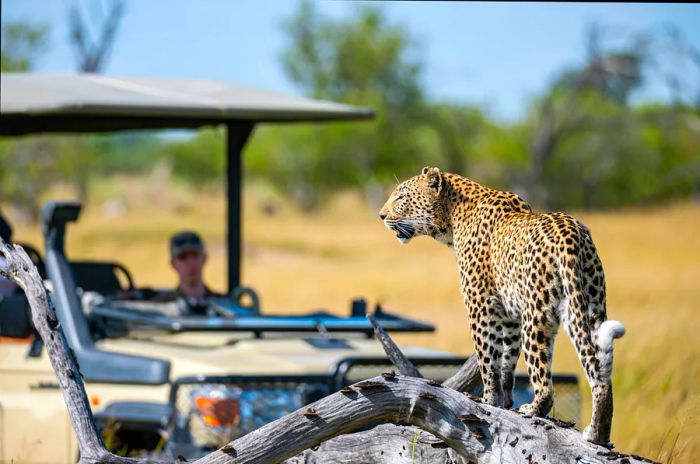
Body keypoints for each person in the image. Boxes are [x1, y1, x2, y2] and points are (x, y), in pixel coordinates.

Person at [169, 230, 219, 299]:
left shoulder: (223, 306)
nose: (191, 263)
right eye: (183, 257)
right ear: (173, 264)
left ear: (204, 258)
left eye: (195, 256)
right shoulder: (162, 307)